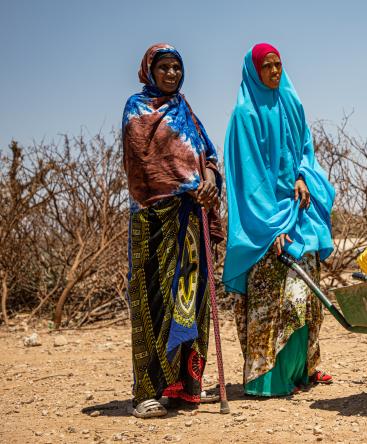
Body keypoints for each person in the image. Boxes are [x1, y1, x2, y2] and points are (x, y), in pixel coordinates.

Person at [222, 43, 335, 397]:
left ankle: (303, 371)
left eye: (278, 65)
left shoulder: (292, 102)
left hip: (299, 212)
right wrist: (273, 226)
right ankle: (271, 379)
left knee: (307, 298)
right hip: (266, 224)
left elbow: (306, 148)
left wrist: (303, 176)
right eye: (267, 66)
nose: (273, 71)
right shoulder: (245, 115)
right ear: (254, 71)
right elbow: (250, 180)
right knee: (276, 301)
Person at [122, 43, 223, 418]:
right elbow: (144, 163)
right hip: (154, 222)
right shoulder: (137, 109)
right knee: (154, 301)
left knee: (190, 301)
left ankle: (185, 388)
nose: (171, 74)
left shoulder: (187, 111)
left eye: (177, 68)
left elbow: (209, 157)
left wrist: (210, 181)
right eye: (164, 67)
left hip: (192, 219)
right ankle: (146, 392)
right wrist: (189, 185)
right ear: (150, 70)